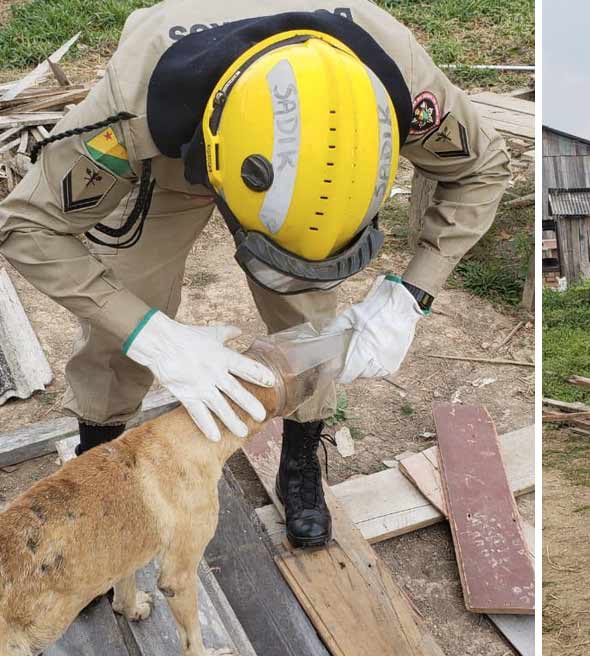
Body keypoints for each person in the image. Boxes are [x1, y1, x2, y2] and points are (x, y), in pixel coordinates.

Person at [0, 0, 510, 549]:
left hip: (275, 145)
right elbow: (26, 224)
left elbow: (482, 166)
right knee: (123, 306)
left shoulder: (398, 77)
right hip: (176, 153)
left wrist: (414, 293)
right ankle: (96, 460)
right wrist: (149, 333)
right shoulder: (138, 104)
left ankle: (301, 459)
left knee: (309, 320)